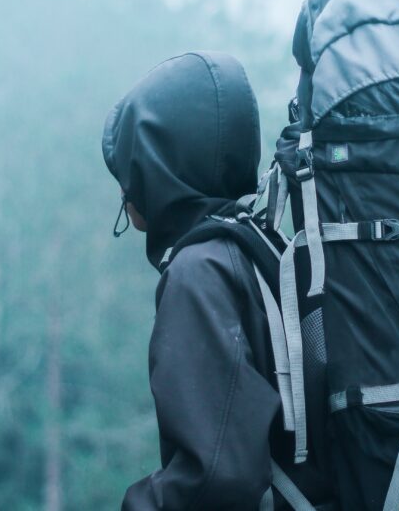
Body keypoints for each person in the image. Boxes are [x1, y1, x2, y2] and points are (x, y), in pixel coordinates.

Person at [102, 51, 333, 511]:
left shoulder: (198, 272)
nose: (126, 193)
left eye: (131, 169)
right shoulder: (265, 244)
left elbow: (214, 478)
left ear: (158, 168)